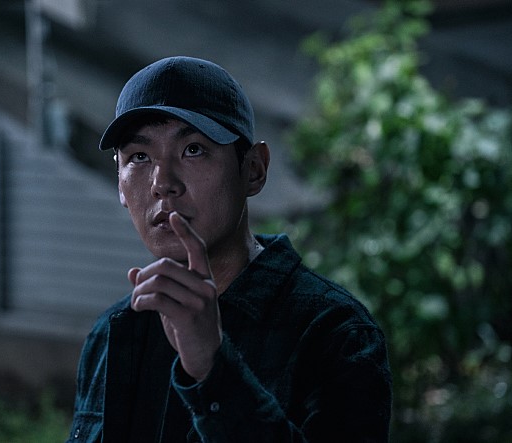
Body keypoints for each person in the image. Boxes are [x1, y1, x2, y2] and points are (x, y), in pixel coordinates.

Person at [67, 56, 392, 443]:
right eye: (139, 157)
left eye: (193, 149)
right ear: (119, 183)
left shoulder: (335, 332)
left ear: (253, 169)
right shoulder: (115, 331)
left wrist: (213, 368)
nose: (162, 182)